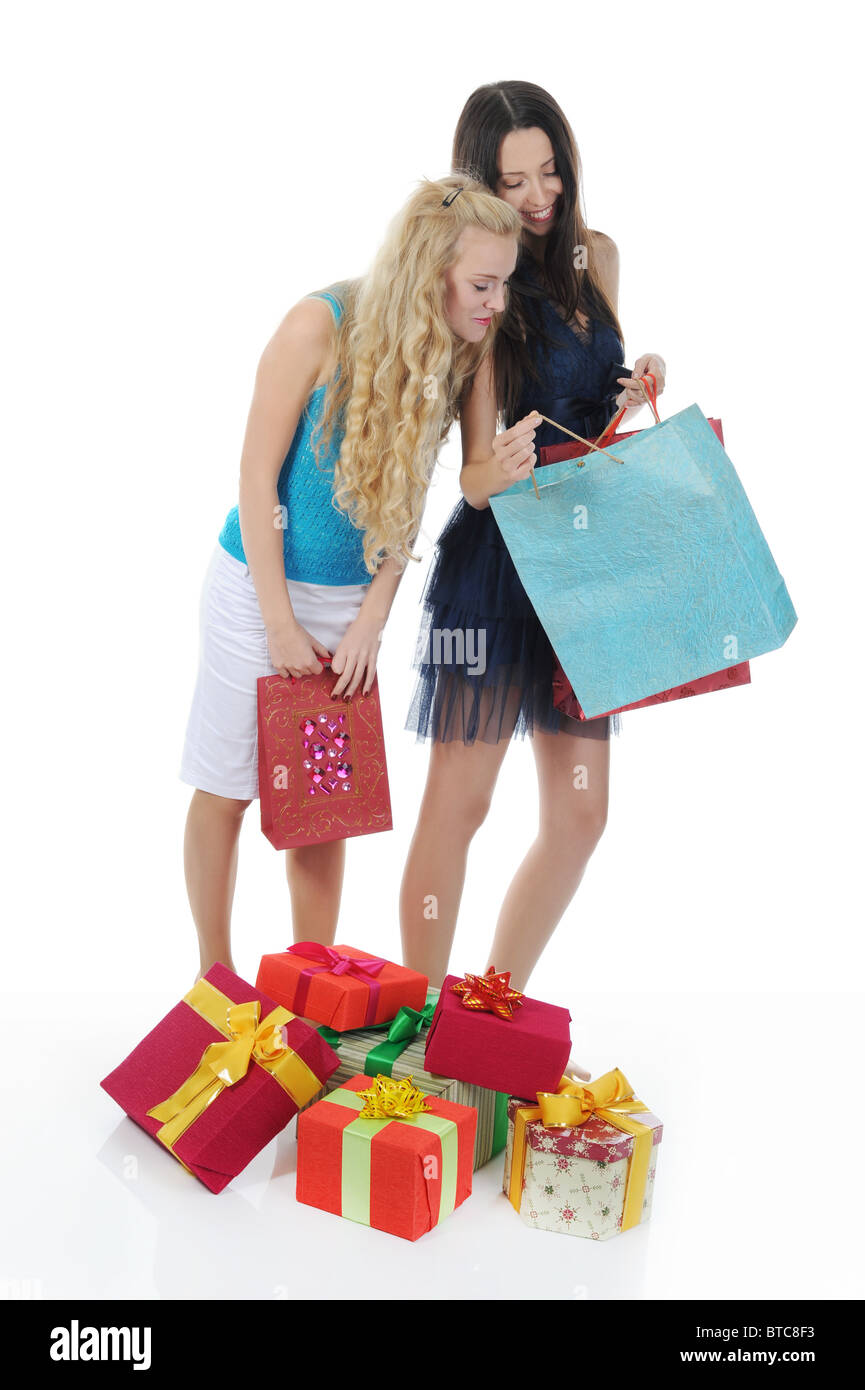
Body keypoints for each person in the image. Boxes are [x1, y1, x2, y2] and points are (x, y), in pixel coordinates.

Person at [179, 176, 523, 978]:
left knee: (320, 814)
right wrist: (277, 623)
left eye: (503, 283)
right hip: (253, 591)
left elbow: (440, 494)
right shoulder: (317, 324)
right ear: (428, 268)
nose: (495, 302)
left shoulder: (469, 351)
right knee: (228, 791)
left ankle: (308, 981)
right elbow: (255, 479)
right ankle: (214, 977)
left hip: (347, 611)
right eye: (482, 284)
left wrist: (371, 618)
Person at [401, 83, 667, 995]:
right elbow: (473, 477)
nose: (539, 197)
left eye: (549, 170)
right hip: (500, 566)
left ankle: (487, 1008)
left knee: (579, 818)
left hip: (583, 562)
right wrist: (502, 466)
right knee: (459, 806)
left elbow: (595, 419)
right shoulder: (485, 287)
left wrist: (633, 391)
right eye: (513, 180)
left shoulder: (601, 258)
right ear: (483, 184)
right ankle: (415, 1030)